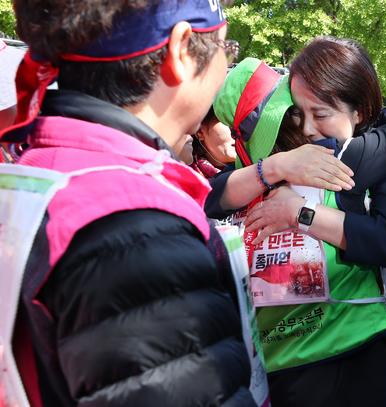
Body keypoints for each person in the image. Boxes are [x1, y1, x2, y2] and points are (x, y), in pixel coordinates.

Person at [0, 1, 257, 406]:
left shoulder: (41, 172)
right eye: (228, 48)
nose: (225, 65)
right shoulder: (136, 228)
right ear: (181, 49)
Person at [208, 40, 386, 405]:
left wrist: (301, 213)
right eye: (298, 113)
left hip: (363, 360)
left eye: (319, 114)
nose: (309, 129)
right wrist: (272, 169)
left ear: (358, 111)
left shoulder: (364, 156)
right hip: (281, 373)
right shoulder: (254, 172)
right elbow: (207, 197)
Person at [192, 106, 236, 178]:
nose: (239, 130)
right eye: (227, 121)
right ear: (200, 131)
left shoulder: (258, 168)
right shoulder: (184, 178)